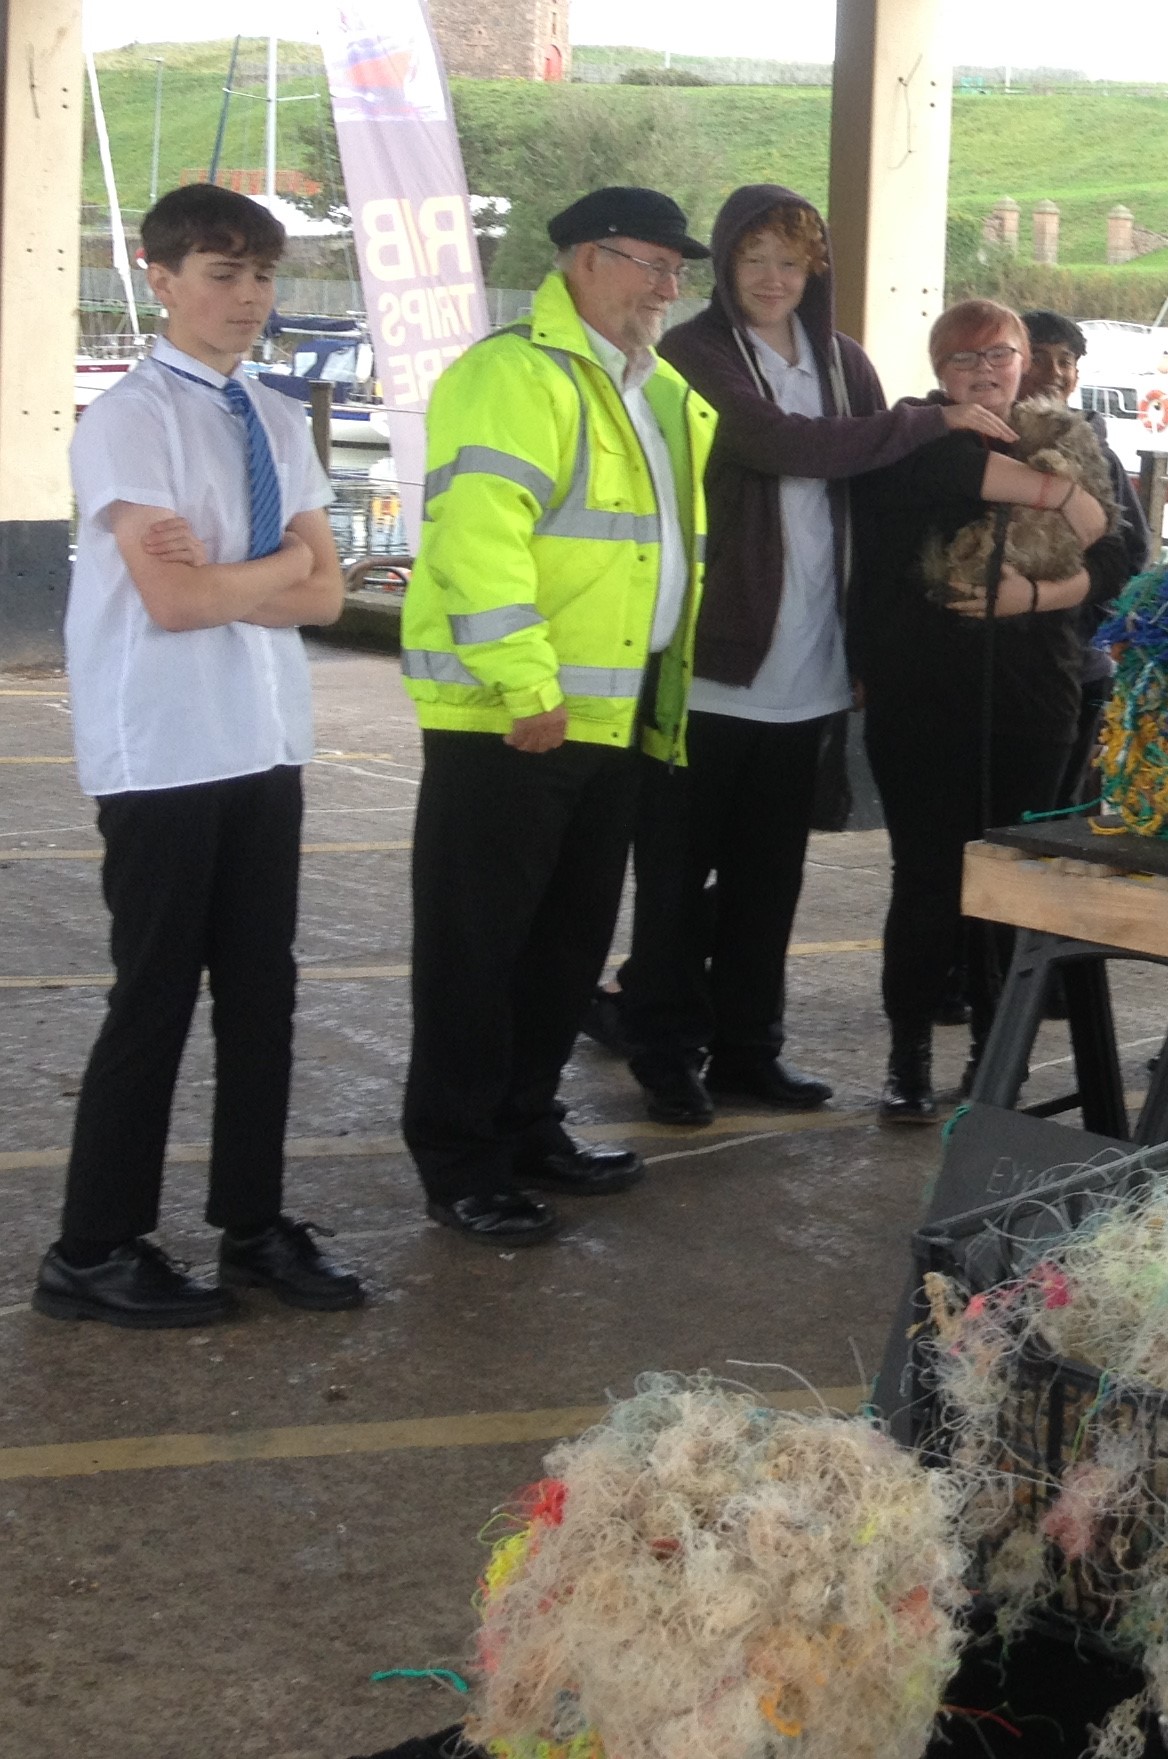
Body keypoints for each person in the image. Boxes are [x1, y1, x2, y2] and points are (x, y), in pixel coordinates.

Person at [623, 185, 1014, 1128]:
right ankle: (665, 1054)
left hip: (812, 670)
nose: (772, 278)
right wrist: (932, 419)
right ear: (726, 263)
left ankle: (749, 1050)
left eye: (790, 262)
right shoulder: (695, 354)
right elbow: (779, 442)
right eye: (753, 258)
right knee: (677, 879)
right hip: (713, 667)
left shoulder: (845, 364)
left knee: (770, 880)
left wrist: (868, 645)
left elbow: (876, 506)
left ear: (814, 270)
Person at [35, 183, 357, 1325]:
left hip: (262, 739)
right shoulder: (131, 420)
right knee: (158, 994)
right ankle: (92, 1246)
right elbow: (172, 605)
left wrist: (244, 578)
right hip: (165, 747)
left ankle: (253, 1223)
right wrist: (274, 569)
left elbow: (327, 594)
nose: (248, 296)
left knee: (263, 993)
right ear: (162, 279)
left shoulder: (272, 415)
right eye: (222, 274)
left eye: (261, 275)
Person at [399, 187, 718, 1246]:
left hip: (610, 717)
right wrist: (525, 685)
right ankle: (461, 1160)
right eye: (650, 264)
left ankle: (527, 1125)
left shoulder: (652, 389)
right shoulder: (514, 374)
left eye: (677, 271)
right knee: (476, 952)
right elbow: (477, 539)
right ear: (586, 259)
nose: (667, 287)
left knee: (564, 950)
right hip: (513, 719)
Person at [848, 301, 1117, 1122]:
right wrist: (1057, 493)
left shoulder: (1068, 435)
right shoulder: (909, 437)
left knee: (1009, 887)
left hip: (1034, 699)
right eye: (963, 360)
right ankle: (907, 1058)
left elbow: (1120, 557)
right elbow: (945, 476)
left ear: (1024, 359)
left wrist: (1032, 596)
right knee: (926, 880)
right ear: (940, 371)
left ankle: (998, 1055)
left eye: (999, 354)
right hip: (921, 700)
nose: (984, 371)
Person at [1018, 308, 1153, 812]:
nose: (1052, 372)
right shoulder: (986, 448)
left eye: (1065, 360)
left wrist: (1084, 622)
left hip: (1080, 665)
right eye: (1037, 358)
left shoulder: (1101, 457)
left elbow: (1130, 555)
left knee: (1066, 814)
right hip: (1000, 670)